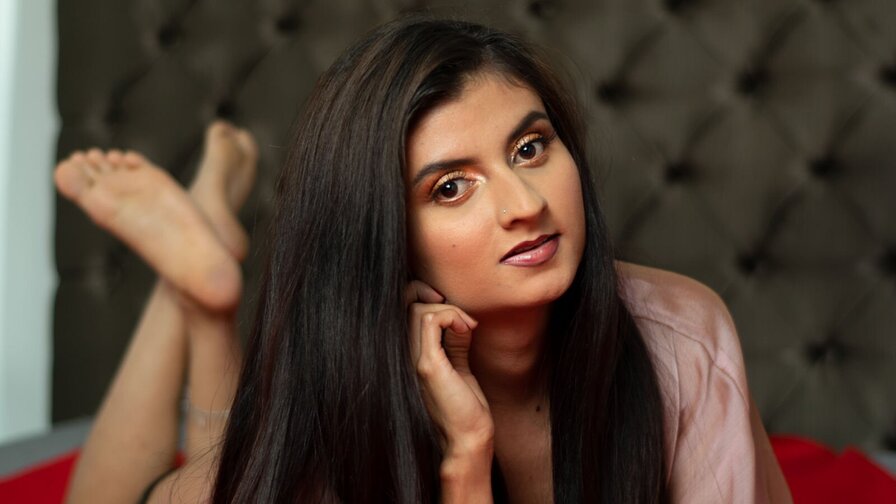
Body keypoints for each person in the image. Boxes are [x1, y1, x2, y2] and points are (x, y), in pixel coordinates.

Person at [55, 16, 792, 503]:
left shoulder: (679, 335)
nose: (524, 203)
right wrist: (468, 458)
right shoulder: (349, 385)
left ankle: (201, 294)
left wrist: (466, 457)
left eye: (530, 147)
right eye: (450, 188)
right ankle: (194, 298)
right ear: (384, 235)